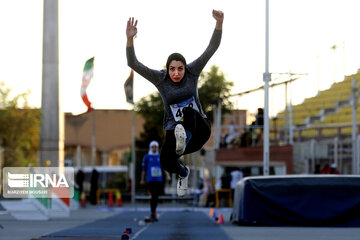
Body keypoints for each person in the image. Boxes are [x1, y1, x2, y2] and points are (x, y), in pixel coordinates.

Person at [126, 10, 224, 197]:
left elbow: (212, 48)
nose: (177, 73)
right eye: (172, 69)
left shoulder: (193, 71)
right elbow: (133, 63)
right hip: (175, 132)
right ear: (167, 69)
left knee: (188, 112)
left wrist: (218, 24)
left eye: (180, 69)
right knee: (164, 161)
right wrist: (130, 39)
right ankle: (183, 173)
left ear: (185, 68)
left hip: (198, 130)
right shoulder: (160, 78)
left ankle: (183, 138)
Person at [140, 141, 170, 222]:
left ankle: (153, 212)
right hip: (150, 180)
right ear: (150, 147)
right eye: (153, 147)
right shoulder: (146, 157)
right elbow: (144, 169)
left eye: (156, 147)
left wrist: (168, 175)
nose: (154, 148)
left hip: (158, 180)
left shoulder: (160, 157)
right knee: (153, 196)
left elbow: (164, 168)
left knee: (155, 196)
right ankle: (153, 212)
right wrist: (142, 179)